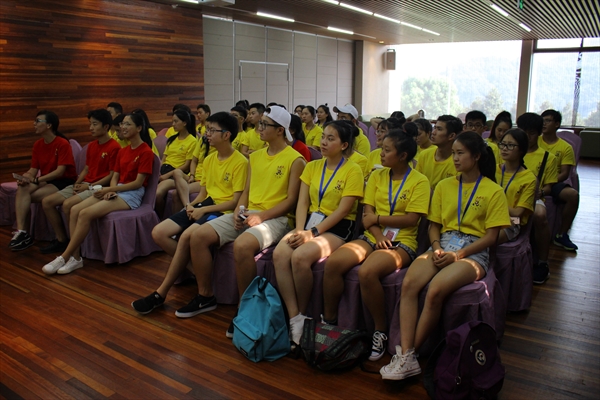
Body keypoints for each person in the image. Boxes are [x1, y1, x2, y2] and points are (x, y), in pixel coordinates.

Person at [380, 131, 510, 381]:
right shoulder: (444, 185)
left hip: (473, 250)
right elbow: (434, 225)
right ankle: (406, 354)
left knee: (435, 289)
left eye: (461, 153)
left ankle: (409, 355)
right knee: (409, 284)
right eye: (454, 154)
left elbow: (491, 237)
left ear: (477, 156)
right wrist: (437, 247)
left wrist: (458, 255)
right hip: (442, 243)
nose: (455, 159)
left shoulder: (493, 190)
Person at [168, 106, 305, 332]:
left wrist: (261, 216)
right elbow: (246, 192)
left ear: (280, 130)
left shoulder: (295, 159)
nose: (258, 128)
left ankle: (244, 307)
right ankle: (205, 295)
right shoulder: (255, 157)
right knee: (198, 236)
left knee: (242, 245)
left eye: (264, 124)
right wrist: (238, 212)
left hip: (277, 218)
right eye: (259, 123)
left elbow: (291, 201)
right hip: (250, 212)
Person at [323, 130, 430, 361]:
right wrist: (378, 233)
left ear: (402, 156)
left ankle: (380, 331)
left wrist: (378, 220)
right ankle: (329, 322)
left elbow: (411, 219)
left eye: (387, 150)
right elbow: (367, 215)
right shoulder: (376, 176)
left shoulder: (420, 181)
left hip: (402, 241)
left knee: (367, 272)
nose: (380, 153)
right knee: (334, 263)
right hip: (373, 235)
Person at [132, 112, 248, 314]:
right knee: (159, 232)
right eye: (207, 130)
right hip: (206, 204)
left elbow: (234, 201)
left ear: (226, 135)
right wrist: (191, 206)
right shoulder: (210, 159)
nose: (207, 134)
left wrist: (203, 209)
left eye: (211, 130)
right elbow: (204, 193)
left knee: (186, 236)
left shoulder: (240, 162)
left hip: (222, 211)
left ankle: (162, 292)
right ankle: (198, 271)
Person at [273, 120, 364, 345]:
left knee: (300, 256)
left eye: (331, 139)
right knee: (280, 253)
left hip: (337, 227)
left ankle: (304, 312)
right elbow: (303, 203)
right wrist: (299, 230)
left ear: (344, 145)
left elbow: (343, 211)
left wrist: (311, 233)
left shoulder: (353, 170)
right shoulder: (312, 166)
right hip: (309, 223)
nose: (323, 142)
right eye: (323, 136)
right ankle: (296, 317)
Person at [41, 113, 155, 274]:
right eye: (122, 124)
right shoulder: (123, 151)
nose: (123, 127)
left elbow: (137, 183)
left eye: (128, 124)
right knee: (74, 209)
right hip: (116, 189)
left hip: (132, 193)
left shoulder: (146, 151)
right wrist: (111, 189)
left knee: (85, 213)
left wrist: (110, 190)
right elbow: (115, 177)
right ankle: (76, 258)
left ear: (139, 128)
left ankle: (64, 256)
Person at [40, 109, 121, 254]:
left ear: (106, 127)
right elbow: (86, 169)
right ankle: (62, 239)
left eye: (95, 124)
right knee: (47, 202)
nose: (91, 128)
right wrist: (77, 183)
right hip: (85, 184)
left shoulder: (114, 147)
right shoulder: (92, 145)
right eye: (90, 124)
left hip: (98, 186)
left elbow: (111, 175)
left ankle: (74, 246)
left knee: (68, 204)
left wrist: (88, 186)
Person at [9, 111, 78, 251]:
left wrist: (36, 180)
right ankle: (22, 232)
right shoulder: (38, 144)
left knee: (26, 197)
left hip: (63, 181)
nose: (34, 124)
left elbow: (60, 171)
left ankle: (58, 239)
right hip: (47, 180)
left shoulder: (62, 143)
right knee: (23, 189)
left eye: (37, 121)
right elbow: (33, 169)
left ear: (49, 125)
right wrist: (26, 177)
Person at [517, 113, 558, 284]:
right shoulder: (508, 151)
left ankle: (542, 262)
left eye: (532, 133)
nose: (527, 137)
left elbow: (549, 186)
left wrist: (537, 193)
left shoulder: (548, 157)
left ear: (540, 133)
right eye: (523, 132)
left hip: (534, 197)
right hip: (508, 196)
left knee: (540, 215)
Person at [540, 109, 579, 251]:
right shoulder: (534, 141)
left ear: (557, 124)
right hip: (532, 180)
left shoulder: (565, 147)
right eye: (542, 121)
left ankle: (561, 235)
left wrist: (548, 182)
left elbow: (564, 173)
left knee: (573, 195)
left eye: (548, 121)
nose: (544, 124)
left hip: (554, 181)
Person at [495, 128, 537, 244]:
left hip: (512, 222)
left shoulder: (529, 178)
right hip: (490, 216)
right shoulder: (493, 169)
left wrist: (494, 204)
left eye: (510, 145)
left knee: (486, 240)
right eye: (503, 144)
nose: (504, 148)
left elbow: (518, 213)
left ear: (522, 150)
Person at [154, 109, 197, 217]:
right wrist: (158, 171)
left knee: (157, 194)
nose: (173, 124)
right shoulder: (172, 139)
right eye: (172, 121)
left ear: (184, 123)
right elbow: (164, 158)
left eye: (176, 121)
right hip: (163, 170)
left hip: (175, 173)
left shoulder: (192, 141)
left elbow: (186, 165)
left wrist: (167, 175)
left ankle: (162, 218)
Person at [415, 115, 462, 190]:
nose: (433, 132)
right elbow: (416, 183)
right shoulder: (424, 155)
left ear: (451, 136)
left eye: (439, 129)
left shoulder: (458, 162)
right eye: (434, 128)